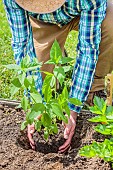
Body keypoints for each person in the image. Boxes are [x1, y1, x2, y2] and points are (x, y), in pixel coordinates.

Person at [3, 0, 113, 153]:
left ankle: (93, 89)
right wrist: (35, 103)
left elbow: (88, 49)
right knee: (45, 87)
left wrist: (73, 109)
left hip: (80, 15)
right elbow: (22, 45)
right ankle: (58, 61)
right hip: (42, 22)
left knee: (111, 19)